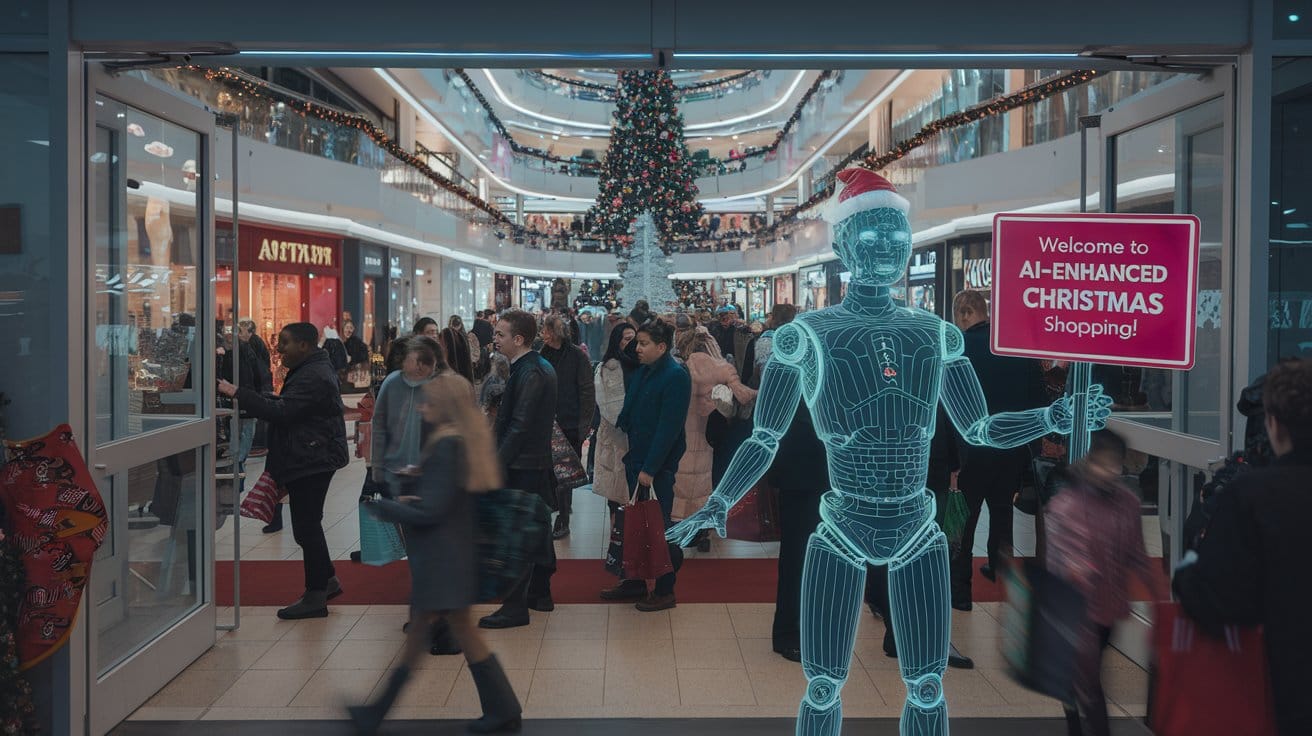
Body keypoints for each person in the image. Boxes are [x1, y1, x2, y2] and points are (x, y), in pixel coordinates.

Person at [349, 373, 522, 735]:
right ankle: (502, 708)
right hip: (453, 554)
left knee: (421, 639)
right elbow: (445, 499)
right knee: (455, 633)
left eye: (427, 400)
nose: (421, 406)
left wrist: (386, 508)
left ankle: (376, 714)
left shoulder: (447, 445)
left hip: (441, 559)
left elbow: (432, 512)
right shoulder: (462, 439)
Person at [1173, 357, 1312, 736]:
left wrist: (1187, 570)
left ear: (1274, 426)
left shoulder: (1253, 495)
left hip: (1285, 691)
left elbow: (1218, 600)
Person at [218, 322, 349, 620]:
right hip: (312, 454)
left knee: (306, 526)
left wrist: (241, 394)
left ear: (304, 345)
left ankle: (316, 595)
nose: (279, 350)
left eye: (285, 343)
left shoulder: (313, 374)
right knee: (307, 524)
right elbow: (289, 406)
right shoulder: (311, 368)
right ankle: (326, 579)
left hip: (313, 457)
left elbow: (283, 412)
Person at [1045, 429, 1162, 736]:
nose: (1110, 472)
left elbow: (1137, 552)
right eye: (1104, 464)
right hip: (1074, 609)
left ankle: (1071, 706)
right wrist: (1079, 570)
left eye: (1116, 465)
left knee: (1084, 675)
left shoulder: (1127, 503)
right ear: (1091, 460)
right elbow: (1065, 557)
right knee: (1090, 682)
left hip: (1108, 608)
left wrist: (1158, 596)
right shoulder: (1067, 503)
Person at [950, 289, 1047, 609]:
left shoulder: (956, 350)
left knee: (964, 519)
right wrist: (1030, 448)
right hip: (1011, 449)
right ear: (984, 312)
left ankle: (960, 591)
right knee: (1003, 511)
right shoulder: (1015, 347)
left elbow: (946, 407)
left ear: (963, 315)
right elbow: (1038, 402)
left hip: (969, 452)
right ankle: (1001, 572)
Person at [479, 309, 559, 629]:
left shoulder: (532, 372)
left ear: (518, 339)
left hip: (524, 464)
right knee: (536, 528)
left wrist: (496, 463)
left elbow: (520, 425)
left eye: (500, 334)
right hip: (531, 462)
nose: (494, 339)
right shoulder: (531, 367)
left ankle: (514, 607)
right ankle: (540, 593)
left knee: (517, 534)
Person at [615, 320, 692, 611]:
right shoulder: (645, 371)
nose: (637, 348)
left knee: (660, 528)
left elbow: (668, 429)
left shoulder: (675, 376)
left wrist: (650, 468)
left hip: (655, 466)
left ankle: (665, 589)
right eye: (638, 342)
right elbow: (633, 410)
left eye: (644, 343)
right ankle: (634, 580)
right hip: (636, 458)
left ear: (662, 346)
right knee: (636, 525)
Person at [673, 325, 755, 523]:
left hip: (681, 435)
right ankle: (706, 524)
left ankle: (679, 521)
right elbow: (743, 396)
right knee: (711, 479)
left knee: (681, 480)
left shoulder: (678, 368)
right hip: (713, 432)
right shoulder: (723, 368)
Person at [539, 314, 595, 539]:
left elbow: (586, 391)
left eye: (545, 329)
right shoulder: (541, 354)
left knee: (565, 472)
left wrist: (584, 425)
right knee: (552, 472)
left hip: (569, 422)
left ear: (553, 332)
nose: (542, 333)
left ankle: (563, 518)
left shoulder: (576, 357)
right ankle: (560, 507)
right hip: (546, 422)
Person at [343, 320, 370, 387]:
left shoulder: (356, 343)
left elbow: (362, 357)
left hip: (353, 375)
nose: (349, 330)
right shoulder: (340, 342)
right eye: (347, 327)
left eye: (351, 328)